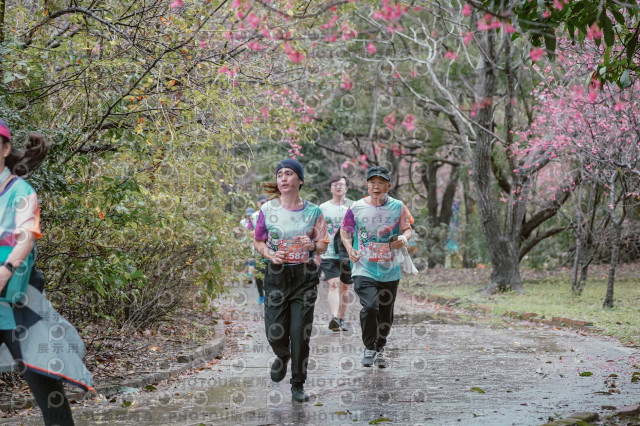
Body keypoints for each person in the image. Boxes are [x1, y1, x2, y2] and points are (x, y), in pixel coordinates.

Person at [0, 120, 94, 425]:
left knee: (43, 379)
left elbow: (26, 237)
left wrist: (6, 269)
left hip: (19, 305)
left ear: (5, 149)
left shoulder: (21, 191)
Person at [254, 158, 329, 402]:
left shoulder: (314, 211)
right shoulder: (267, 210)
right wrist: (270, 254)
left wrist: (313, 245)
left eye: (289, 173)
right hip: (276, 275)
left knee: (299, 333)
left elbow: (323, 244)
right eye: (280, 174)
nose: (283, 178)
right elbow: (259, 242)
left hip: (304, 277)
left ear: (300, 180)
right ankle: (282, 355)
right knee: (274, 332)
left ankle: (298, 384)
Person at [340, 166, 414, 369]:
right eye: (372, 182)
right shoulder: (356, 207)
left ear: (388, 186)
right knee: (370, 306)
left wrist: (403, 239)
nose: (376, 186)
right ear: (367, 185)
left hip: (390, 269)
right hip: (364, 267)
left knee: (386, 313)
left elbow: (408, 229)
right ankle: (369, 347)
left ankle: (380, 347)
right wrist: (349, 249)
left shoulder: (398, 206)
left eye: (381, 183)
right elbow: (345, 231)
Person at [319, 175, 353, 332]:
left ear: (346, 188)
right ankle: (334, 318)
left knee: (344, 288)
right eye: (335, 184)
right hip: (328, 253)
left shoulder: (353, 208)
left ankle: (340, 318)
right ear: (330, 188)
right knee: (333, 284)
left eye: (341, 184)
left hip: (346, 253)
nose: (338, 187)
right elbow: (317, 230)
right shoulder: (323, 208)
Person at [251, 194, 269, 304]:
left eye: (266, 202)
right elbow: (247, 230)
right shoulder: (253, 216)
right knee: (258, 273)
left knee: (271, 272)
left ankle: (270, 294)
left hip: (271, 248)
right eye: (262, 203)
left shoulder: (273, 215)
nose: (264, 205)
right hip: (258, 249)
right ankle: (261, 295)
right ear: (258, 204)